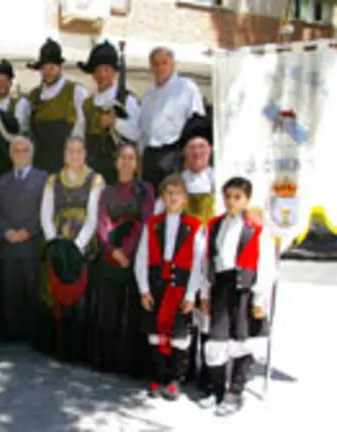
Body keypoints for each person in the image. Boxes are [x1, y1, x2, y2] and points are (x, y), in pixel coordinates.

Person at [200, 177, 275, 416]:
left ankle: (235, 391)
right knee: (216, 340)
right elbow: (206, 262)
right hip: (221, 286)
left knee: (242, 341)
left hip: (244, 288)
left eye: (237, 197)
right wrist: (204, 293)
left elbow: (266, 266)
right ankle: (217, 389)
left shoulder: (256, 229)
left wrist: (259, 300)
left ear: (246, 200)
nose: (231, 202)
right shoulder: (214, 225)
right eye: (228, 196)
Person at [134, 173, 205, 400]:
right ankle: (158, 375)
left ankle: (176, 379)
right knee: (155, 334)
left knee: (179, 336)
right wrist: (144, 289)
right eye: (168, 193)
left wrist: (192, 294)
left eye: (177, 193)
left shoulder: (195, 226)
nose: (173, 197)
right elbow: (142, 257)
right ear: (163, 197)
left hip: (180, 287)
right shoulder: (152, 224)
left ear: (185, 198)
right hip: (157, 285)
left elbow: (198, 264)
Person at [90, 144, 154, 378]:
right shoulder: (106, 192)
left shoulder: (145, 189)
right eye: (122, 157)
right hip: (111, 257)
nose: (127, 162)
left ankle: (132, 364)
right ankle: (110, 360)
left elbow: (145, 222)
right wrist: (112, 250)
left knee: (133, 311)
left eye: (131, 158)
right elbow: (102, 223)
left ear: (136, 164)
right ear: (116, 162)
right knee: (111, 308)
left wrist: (127, 251)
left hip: (136, 257)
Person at [37, 137, 104, 360]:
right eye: (70, 151)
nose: (74, 155)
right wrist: (53, 242)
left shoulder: (95, 180)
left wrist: (77, 246)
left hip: (81, 243)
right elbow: (45, 213)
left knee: (80, 293)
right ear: (64, 154)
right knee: (55, 291)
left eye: (78, 151)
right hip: (57, 240)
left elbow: (93, 216)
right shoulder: (53, 180)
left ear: (84, 154)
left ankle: (78, 346)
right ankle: (59, 344)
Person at [0, 136, 48, 342]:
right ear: (10, 155)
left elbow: (44, 209)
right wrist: (6, 232)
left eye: (25, 150)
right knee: (10, 288)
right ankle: (12, 331)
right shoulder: (2, 180)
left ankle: (32, 333)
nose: (20, 154)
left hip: (31, 242)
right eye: (16, 151)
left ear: (31, 154)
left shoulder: (43, 179)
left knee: (32, 286)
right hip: (8, 243)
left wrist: (29, 231)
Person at [139, 47, 206, 189]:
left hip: (174, 154)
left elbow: (197, 123)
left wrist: (192, 157)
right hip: (151, 156)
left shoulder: (186, 87)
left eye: (164, 63)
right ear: (150, 67)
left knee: (172, 200)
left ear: (173, 64)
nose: (160, 67)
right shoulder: (148, 93)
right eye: (155, 64)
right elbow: (143, 129)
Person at [77, 41, 141, 185]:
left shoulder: (127, 100)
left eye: (106, 69)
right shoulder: (87, 104)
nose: (102, 75)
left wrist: (115, 123)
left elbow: (137, 133)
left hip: (119, 172)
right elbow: (79, 135)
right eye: (97, 70)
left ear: (114, 72)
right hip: (92, 169)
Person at [26, 39, 87, 173]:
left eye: (52, 68)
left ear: (60, 67)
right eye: (44, 68)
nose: (47, 72)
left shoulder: (75, 91)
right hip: (38, 167)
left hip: (66, 166)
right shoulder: (34, 96)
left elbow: (81, 129)